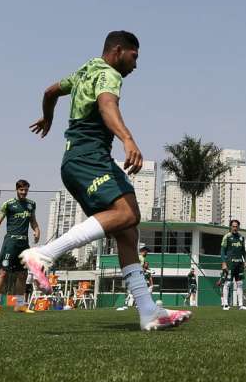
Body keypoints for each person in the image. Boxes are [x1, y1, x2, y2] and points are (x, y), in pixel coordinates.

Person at [21, 31, 189, 330]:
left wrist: (47, 117)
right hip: (89, 158)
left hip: (77, 160)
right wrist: (128, 139)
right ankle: (44, 255)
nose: (135, 65)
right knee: (128, 214)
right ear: (117, 50)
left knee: (127, 230)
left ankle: (148, 311)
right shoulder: (110, 74)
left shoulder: (84, 70)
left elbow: (49, 92)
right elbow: (107, 105)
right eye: (134, 57)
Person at [0, 179, 40, 314]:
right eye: (21, 190)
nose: (24, 192)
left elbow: (33, 221)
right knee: (3, 273)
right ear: (16, 190)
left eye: (26, 190)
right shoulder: (8, 204)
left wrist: (37, 230)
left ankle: (19, 305)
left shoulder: (31, 205)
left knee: (23, 274)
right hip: (10, 242)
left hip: (24, 243)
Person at [221, 220, 246, 311]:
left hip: (239, 263)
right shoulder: (227, 237)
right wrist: (224, 263)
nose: (235, 228)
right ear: (230, 227)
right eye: (233, 226)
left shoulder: (241, 237)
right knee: (228, 283)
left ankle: (241, 305)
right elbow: (222, 251)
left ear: (239, 227)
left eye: (236, 226)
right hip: (230, 263)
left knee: (240, 284)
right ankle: (225, 304)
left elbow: (243, 251)